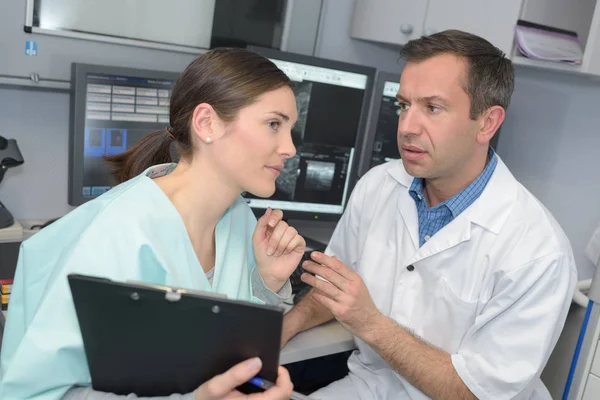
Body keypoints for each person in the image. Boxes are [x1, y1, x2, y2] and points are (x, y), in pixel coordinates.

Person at [281, 30, 577, 400]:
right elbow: (334, 288)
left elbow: (473, 391)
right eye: (404, 105)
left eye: (432, 108)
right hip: (369, 387)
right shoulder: (379, 186)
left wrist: (370, 323)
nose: (406, 127)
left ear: (487, 123)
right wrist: (283, 328)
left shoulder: (538, 251)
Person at [0, 47, 304, 400]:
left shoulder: (237, 220)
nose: (290, 148)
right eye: (273, 125)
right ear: (207, 123)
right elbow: (41, 393)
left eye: (290, 129)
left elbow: (232, 348)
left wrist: (268, 281)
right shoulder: (114, 233)